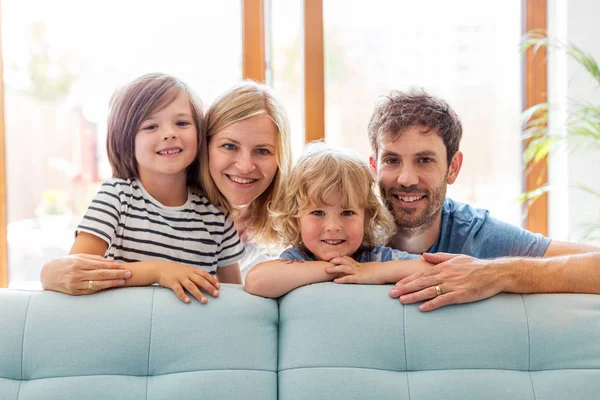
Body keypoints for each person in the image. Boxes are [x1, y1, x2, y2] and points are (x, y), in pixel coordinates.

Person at [40, 80, 292, 293]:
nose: (169, 133)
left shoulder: (216, 217)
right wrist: (157, 271)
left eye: (182, 123)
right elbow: (76, 272)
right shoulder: (117, 197)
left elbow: (233, 301)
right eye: (150, 126)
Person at [367, 89, 600, 311]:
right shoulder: (347, 227)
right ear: (374, 166)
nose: (406, 179)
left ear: (453, 168)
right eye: (392, 160)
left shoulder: (477, 234)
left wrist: (495, 273)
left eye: (425, 160)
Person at [244, 143, 432, 298]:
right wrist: (336, 269)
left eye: (347, 213)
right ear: (296, 218)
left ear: (366, 218)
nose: (333, 226)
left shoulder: (376, 258)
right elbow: (256, 281)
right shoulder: (298, 259)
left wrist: (369, 271)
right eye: (318, 213)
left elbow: (432, 268)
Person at [201, 80, 293, 279]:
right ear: (205, 146)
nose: (245, 166)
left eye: (262, 151)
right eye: (229, 146)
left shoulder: (295, 230)